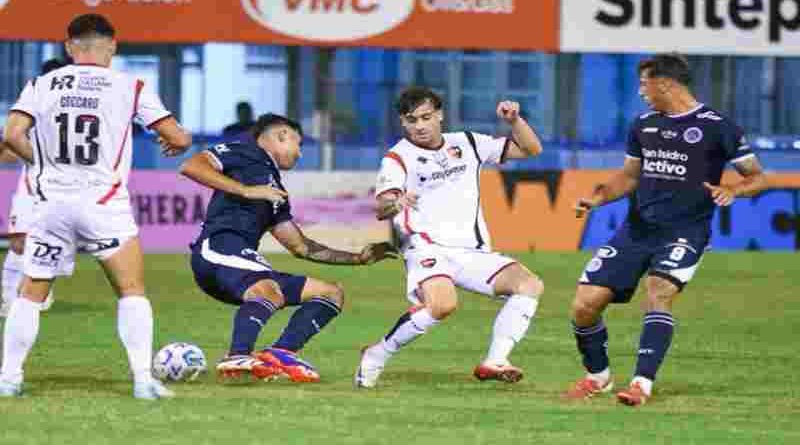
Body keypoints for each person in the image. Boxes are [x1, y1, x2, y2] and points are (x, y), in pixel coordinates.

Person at [0, 13, 192, 399]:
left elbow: (12, 134)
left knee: (30, 292)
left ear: (69, 47)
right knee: (131, 289)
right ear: (113, 45)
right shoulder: (130, 86)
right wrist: (179, 141)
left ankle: (9, 377)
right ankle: (142, 380)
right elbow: (176, 137)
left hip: (51, 204)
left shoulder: (41, 83)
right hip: (104, 204)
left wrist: (41, 163)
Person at [564, 53, 768, 406]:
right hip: (637, 230)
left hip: (685, 232)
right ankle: (598, 377)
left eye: (644, 84)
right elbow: (629, 176)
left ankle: (641, 383)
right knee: (584, 305)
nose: (641, 92)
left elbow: (758, 177)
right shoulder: (643, 125)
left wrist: (733, 189)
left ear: (665, 83)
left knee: (658, 292)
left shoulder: (718, 125)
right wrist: (597, 199)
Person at [181, 113, 396, 383]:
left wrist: (358, 258)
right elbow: (192, 166)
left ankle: (282, 352)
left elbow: (300, 247)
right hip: (219, 249)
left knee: (330, 294)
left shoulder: (275, 189)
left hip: (240, 263)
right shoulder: (245, 150)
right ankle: (237, 356)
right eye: (299, 143)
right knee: (269, 289)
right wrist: (246, 191)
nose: (300, 153)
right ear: (282, 135)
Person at [354, 86, 546, 388]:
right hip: (425, 246)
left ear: (440, 115)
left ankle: (495, 361)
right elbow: (381, 206)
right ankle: (377, 354)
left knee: (529, 285)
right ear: (403, 123)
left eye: (426, 117)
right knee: (443, 304)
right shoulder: (398, 157)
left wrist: (515, 122)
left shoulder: (468, 142)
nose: (419, 126)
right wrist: (397, 202)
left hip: (472, 250)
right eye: (411, 120)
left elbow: (531, 149)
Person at [0, 58, 69, 318]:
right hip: (31, 181)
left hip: (65, 184)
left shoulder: (74, 109)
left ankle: (40, 287)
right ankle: (7, 299)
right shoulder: (32, 104)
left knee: (51, 240)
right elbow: (11, 141)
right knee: (19, 240)